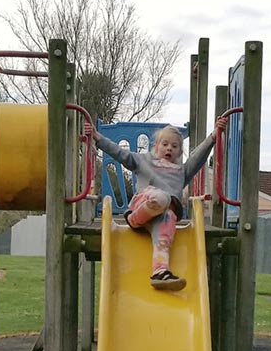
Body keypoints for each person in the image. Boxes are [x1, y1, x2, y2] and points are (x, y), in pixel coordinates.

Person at [85, 118, 226, 291]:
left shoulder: (182, 171)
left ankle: (160, 272)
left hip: (160, 215)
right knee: (162, 198)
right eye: (165, 144)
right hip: (143, 202)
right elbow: (120, 153)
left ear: (179, 152)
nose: (169, 148)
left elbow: (197, 158)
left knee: (165, 232)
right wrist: (97, 138)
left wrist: (212, 137)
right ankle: (134, 218)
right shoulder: (144, 161)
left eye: (174, 146)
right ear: (156, 146)